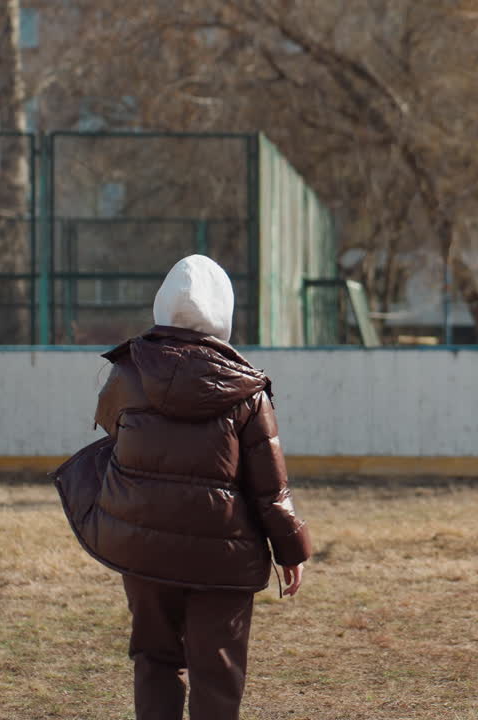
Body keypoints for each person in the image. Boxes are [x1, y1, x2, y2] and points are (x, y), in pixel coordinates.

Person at [58, 254, 312, 720]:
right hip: (224, 559)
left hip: (142, 549)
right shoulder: (246, 391)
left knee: (155, 659)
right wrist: (291, 549)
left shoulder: (126, 373)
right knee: (217, 671)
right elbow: (269, 489)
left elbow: (114, 442)